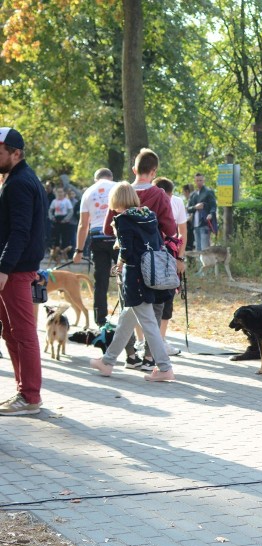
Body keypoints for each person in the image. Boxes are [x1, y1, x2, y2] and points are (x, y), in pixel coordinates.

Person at [89, 182, 176, 381]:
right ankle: (107, 362)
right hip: (150, 275)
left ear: (116, 200)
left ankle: (164, 367)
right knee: (126, 321)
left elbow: (127, 251)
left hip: (135, 278)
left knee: (148, 324)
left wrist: (120, 263)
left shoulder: (123, 220)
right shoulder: (148, 215)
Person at [103, 148, 179, 373]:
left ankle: (128, 356)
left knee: (128, 306)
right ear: (154, 171)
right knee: (151, 309)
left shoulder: (121, 193)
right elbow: (171, 229)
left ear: (134, 169)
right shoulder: (158, 195)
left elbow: (108, 228)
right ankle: (150, 359)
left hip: (127, 262)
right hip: (154, 262)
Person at [0, 127, 48, 415]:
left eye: (0, 151)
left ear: (15, 153)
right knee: (11, 332)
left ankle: (30, 397)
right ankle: (23, 392)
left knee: (24, 332)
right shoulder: (18, 179)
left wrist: (5, 268)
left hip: (15, 270)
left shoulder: (19, 183)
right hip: (16, 267)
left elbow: (20, 231)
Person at [74, 168, 118, 326]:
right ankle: (131, 316)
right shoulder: (118, 186)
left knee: (101, 282)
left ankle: (100, 320)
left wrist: (78, 250)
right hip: (116, 236)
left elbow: (83, 224)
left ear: (95, 179)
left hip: (97, 238)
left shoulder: (88, 193)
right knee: (126, 277)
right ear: (111, 177)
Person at [154, 176, 188, 356]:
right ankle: (145, 341)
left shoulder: (177, 202)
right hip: (152, 257)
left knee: (168, 299)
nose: (167, 200)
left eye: (169, 197)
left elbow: (183, 232)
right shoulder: (148, 199)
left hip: (171, 255)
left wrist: (180, 258)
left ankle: (161, 339)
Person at [187, 173, 216, 251]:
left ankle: (206, 264)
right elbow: (188, 209)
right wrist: (195, 207)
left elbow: (213, 206)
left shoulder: (209, 192)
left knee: (204, 249)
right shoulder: (193, 194)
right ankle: (201, 263)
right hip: (195, 226)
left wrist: (211, 214)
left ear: (204, 181)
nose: (199, 182)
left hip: (204, 224)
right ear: (195, 181)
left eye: (200, 180)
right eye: (197, 180)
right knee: (198, 249)